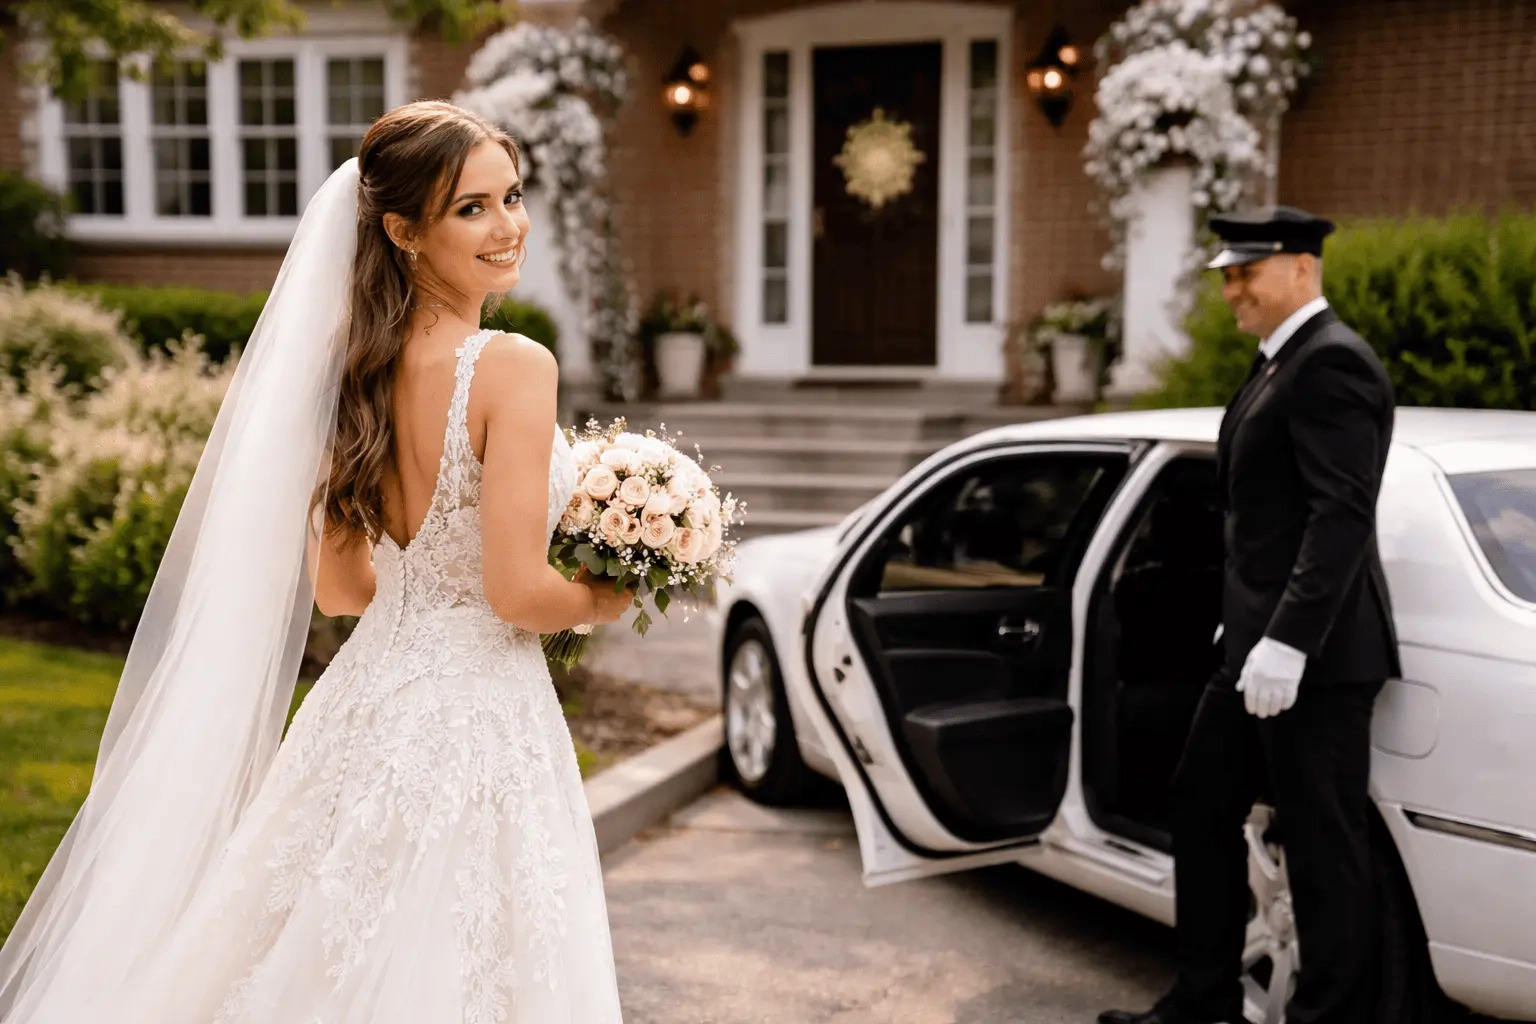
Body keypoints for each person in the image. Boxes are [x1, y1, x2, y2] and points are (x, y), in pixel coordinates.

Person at [0, 100, 634, 1022]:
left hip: (364, 707)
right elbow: (516, 593)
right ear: (402, 230)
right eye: (473, 208)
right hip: (478, 716)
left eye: (513, 196)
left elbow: (343, 590)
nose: (510, 227)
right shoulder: (515, 366)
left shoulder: (346, 368)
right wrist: (604, 593)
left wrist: (422, 580)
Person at [1099, 205, 1399, 1024]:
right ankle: (1203, 1001)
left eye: (1247, 272)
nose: (1231, 288)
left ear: (1301, 268)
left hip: (1318, 662)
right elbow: (1270, 518)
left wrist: (1290, 642)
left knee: (1322, 847)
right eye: (1226, 273)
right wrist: (1247, 624)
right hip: (1256, 649)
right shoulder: (1281, 361)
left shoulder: (1333, 363)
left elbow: (1340, 516)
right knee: (1200, 803)